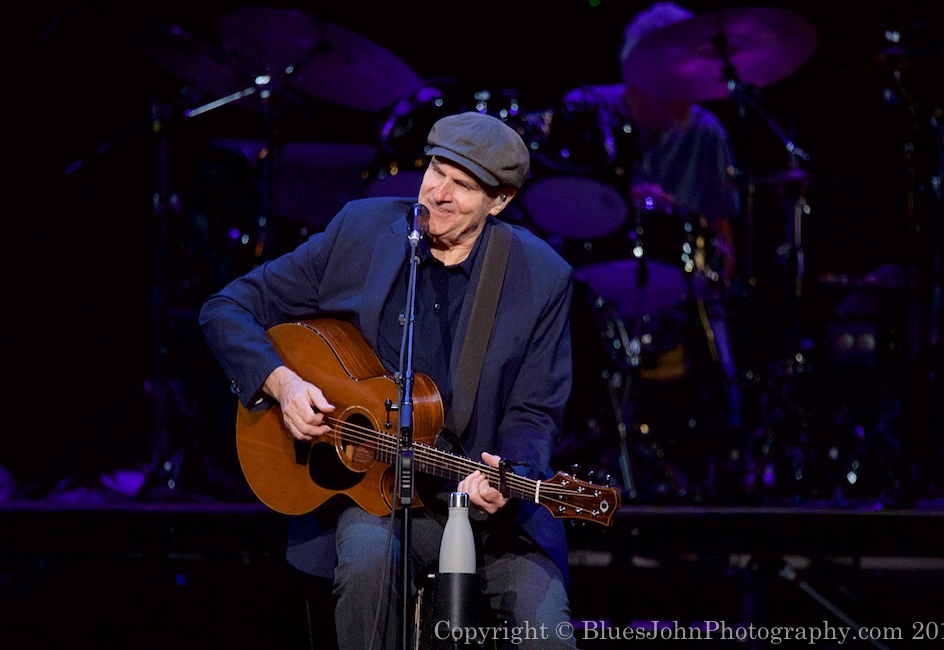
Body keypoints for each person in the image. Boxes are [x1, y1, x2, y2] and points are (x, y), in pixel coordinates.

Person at [199, 111, 577, 649]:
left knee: (548, 634)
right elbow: (227, 307)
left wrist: (507, 475)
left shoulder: (541, 276)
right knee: (366, 565)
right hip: (376, 497)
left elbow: (534, 411)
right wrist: (282, 384)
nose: (439, 194)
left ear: (501, 202)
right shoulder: (363, 230)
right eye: (436, 170)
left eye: (464, 185)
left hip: (491, 516)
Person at [559, 1, 744, 497]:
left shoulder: (707, 133)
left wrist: (720, 269)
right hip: (589, 274)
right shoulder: (586, 110)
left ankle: (712, 469)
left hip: (677, 286)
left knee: (715, 344)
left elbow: (723, 239)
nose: (689, 94)